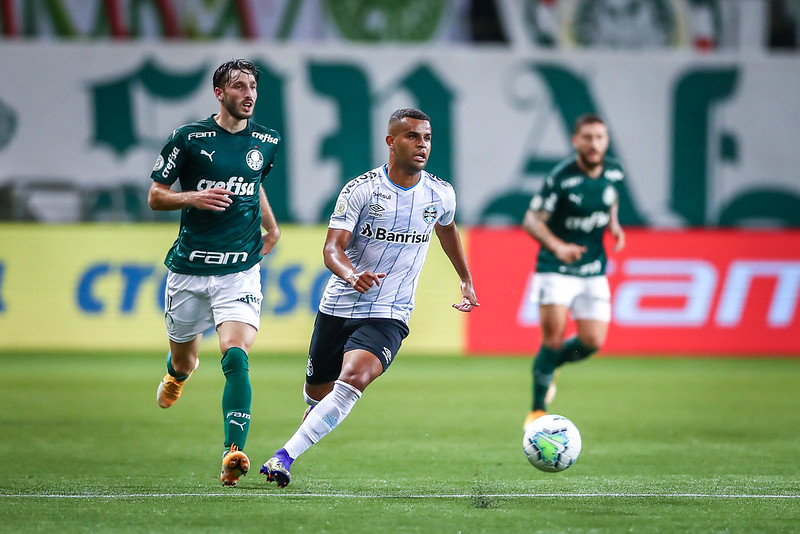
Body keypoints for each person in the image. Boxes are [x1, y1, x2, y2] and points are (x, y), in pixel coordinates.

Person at [259, 108, 479, 488]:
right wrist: (350, 274)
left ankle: (284, 456)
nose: (422, 145)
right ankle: (304, 432)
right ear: (391, 142)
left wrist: (465, 277)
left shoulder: (441, 193)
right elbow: (332, 249)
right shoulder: (361, 189)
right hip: (340, 305)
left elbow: (446, 230)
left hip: (390, 311)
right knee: (316, 394)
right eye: (413, 136)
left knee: (354, 378)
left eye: (427, 138)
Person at [148, 59, 281, 486]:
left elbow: (253, 181)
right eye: (239, 86)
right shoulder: (188, 138)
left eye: (253, 87)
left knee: (236, 354)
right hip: (189, 270)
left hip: (239, 271)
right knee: (187, 358)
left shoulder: (268, 140)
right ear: (219, 93)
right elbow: (155, 196)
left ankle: (233, 452)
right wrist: (193, 198)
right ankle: (176, 373)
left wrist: (271, 226)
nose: (249, 94)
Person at [521, 113, 625, 430]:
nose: (594, 144)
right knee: (552, 340)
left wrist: (614, 224)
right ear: (575, 141)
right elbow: (531, 220)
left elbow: (610, 199)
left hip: (593, 269)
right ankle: (537, 409)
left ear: (606, 140)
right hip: (555, 268)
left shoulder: (615, 171)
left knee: (592, 341)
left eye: (600, 137)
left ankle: (551, 366)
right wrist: (557, 247)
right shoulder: (561, 178)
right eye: (588, 138)